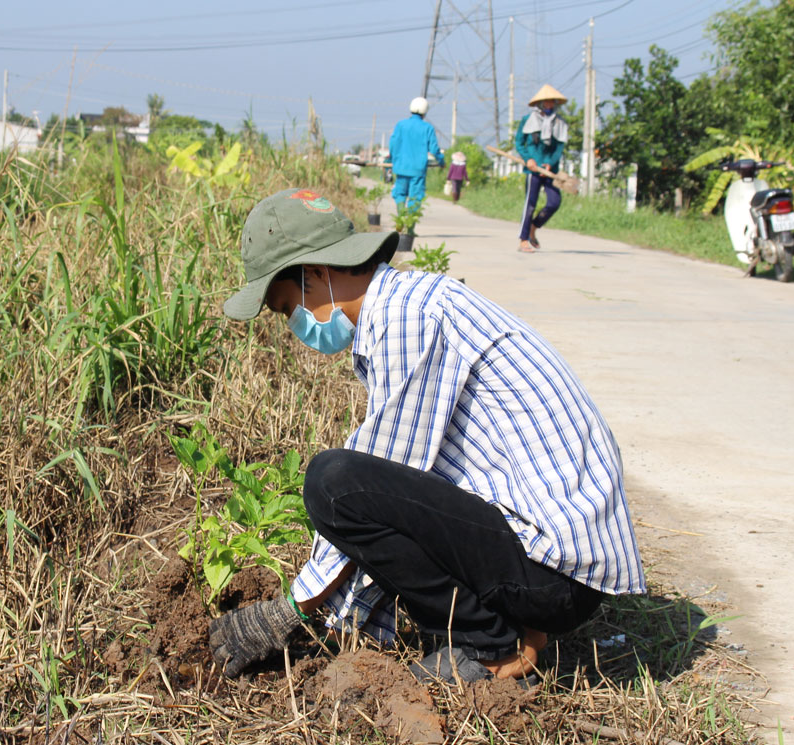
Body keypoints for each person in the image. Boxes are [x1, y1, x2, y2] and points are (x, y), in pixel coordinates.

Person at [210, 187, 645, 683]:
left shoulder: (407, 318)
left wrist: (294, 609)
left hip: (554, 574)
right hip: (551, 562)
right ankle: (517, 628)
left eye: (287, 308)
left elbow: (366, 488)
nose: (295, 326)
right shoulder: (409, 305)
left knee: (332, 481)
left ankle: (494, 647)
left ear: (314, 274)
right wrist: (335, 614)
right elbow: (407, 508)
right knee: (353, 483)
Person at [515, 84, 569, 253]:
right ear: (540, 104)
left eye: (551, 103)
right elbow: (519, 142)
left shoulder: (560, 123)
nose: (548, 106)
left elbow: (559, 148)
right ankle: (523, 239)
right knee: (530, 204)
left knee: (554, 202)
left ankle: (534, 226)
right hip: (533, 169)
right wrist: (528, 159)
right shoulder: (528, 120)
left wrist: (549, 163)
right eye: (545, 103)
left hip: (550, 170)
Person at [389, 97, 444, 213]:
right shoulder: (427, 128)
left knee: (400, 193)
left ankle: (400, 218)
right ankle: (410, 228)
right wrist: (441, 161)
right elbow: (434, 149)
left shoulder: (401, 125)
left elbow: (393, 145)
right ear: (425, 111)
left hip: (401, 167)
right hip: (418, 169)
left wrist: (394, 160)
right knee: (415, 197)